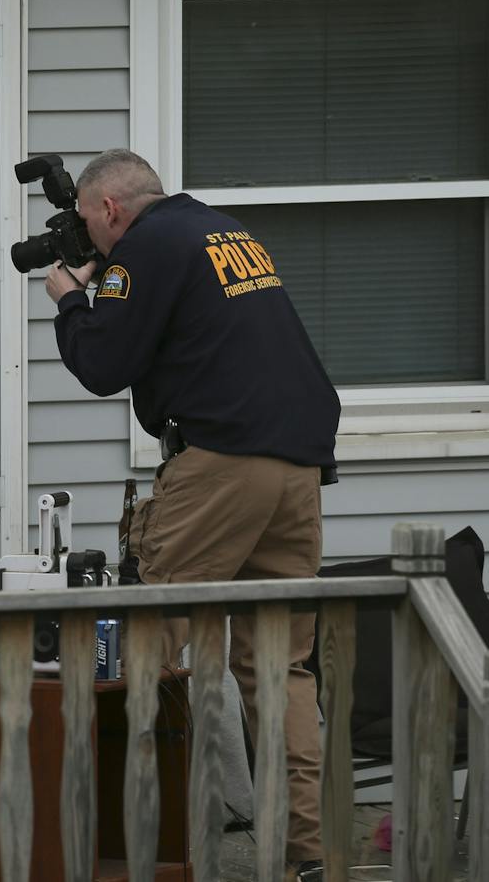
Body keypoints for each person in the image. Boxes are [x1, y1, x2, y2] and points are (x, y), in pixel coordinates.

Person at [45, 148, 340, 880]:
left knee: (149, 647)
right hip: (299, 465)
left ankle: (141, 846)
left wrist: (68, 299)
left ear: (110, 209)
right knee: (281, 668)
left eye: (88, 222)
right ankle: (309, 857)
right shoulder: (222, 230)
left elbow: (103, 365)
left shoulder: (141, 248)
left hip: (219, 464)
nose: (90, 238)